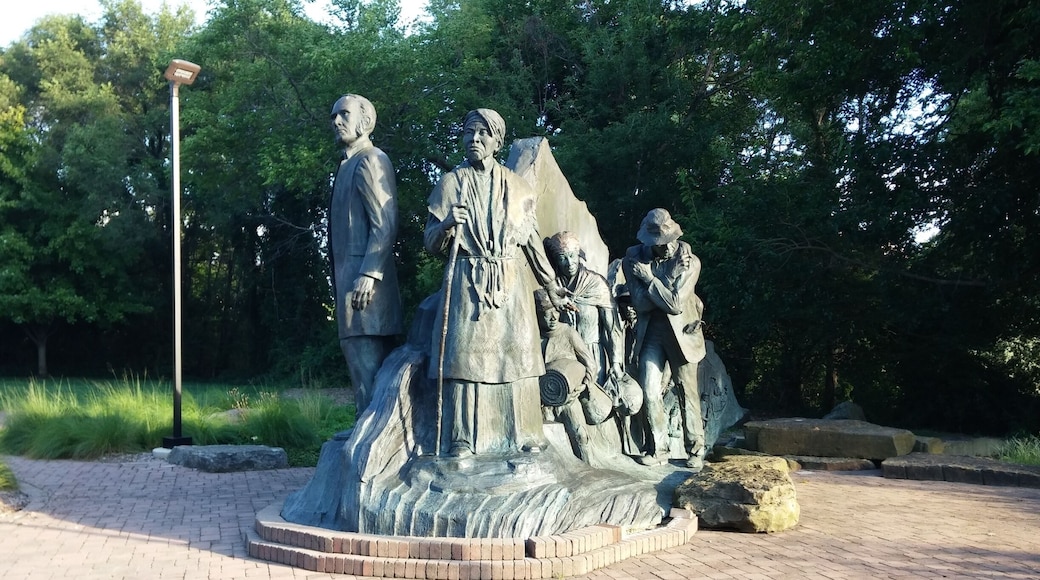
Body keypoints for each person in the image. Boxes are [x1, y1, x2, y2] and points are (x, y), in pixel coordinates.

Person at [424, 108, 572, 457]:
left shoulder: (518, 187)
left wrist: (551, 285)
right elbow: (430, 242)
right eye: (468, 133)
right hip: (467, 279)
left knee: (517, 357)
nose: (474, 140)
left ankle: (523, 434)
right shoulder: (450, 184)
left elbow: (533, 242)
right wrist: (446, 223)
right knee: (463, 358)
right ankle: (462, 438)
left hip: (509, 281)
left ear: (496, 141)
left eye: (482, 134)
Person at [328, 94, 403, 415]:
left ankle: (370, 443)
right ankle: (364, 436)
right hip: (351, 287)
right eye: (334, 116)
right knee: (361, 375)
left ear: (366, 121)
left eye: (344, 114)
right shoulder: (347, 165)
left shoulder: (371, 159)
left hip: (366, 293)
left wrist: (369, 274)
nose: (336, 121)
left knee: (371, 377)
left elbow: (384, 224)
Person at [622, 208, 707, 469]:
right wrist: (666, 281)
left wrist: (649, 278)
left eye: (670, 240)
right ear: (648, 243)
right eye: (661, 244)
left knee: (686, 392)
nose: (668, 247)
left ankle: (696, 449)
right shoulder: (632, 258)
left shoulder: (689, 260)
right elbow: (640, 304)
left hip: (682, 335)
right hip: (651, 334)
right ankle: (658, 448)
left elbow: (674, 304)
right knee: (649, 390)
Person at [544, 232, 624, 386]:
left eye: (572, 256)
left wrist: (616, 362)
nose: (569, 263)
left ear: (578, 255)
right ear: (555, 261)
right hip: (562, 355)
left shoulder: (596, 284)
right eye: (562, 258)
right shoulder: (553, 288)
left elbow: (612, 327)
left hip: (592, 354)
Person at [534, 288, 596, 462]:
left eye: (556, 312)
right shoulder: (533, 336)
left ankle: (588, 469)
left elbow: (590, 363)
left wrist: (584, 385)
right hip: (543, 401)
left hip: (569, 398)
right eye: (547, 313)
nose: (553, 317)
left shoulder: (568, 333)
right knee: (549, 441)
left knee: (579, 435)